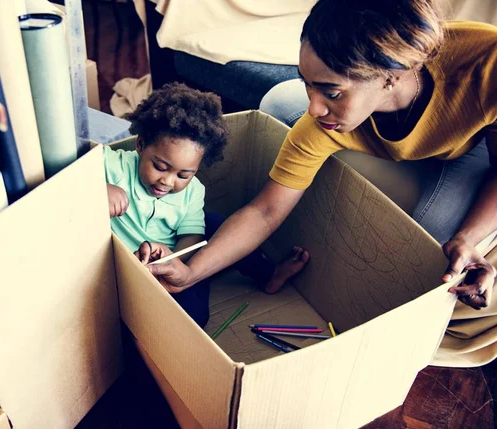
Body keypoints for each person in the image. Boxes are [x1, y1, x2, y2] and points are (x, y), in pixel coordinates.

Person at [148, 0, 497, 366]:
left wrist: (467, 239)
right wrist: (190, 273)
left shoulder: (486, 60)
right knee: (279, 106)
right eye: (306, 83)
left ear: (390, 77)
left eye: (331, 92)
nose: (313, 108)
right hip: (391, 136)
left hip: (467, 151)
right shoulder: (319, 122)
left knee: (430, 241)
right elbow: (265, 210)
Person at [104, 83, 309, 328]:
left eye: (184, 175)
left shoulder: (194, 191)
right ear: (140, 145)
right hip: (122, 268)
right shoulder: (113, 166)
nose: (167, 181)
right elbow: (67, 176)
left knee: (197, 312)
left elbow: (192, 235)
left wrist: (177, 260)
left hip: (171, 261)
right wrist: (98, 189)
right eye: (160, 167)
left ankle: (267, 274)